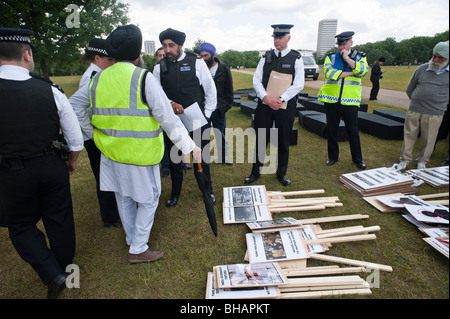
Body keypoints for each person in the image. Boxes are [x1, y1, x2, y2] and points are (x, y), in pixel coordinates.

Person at [69, 24, 201, 263]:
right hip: (141, 152)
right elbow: (168, 119)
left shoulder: (98, 79)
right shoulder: (143, 77)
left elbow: (74, 106)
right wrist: (190, 146)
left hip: (111, 152)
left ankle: (133, 240)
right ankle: (138, 247)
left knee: (124, 197)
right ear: (137, 54)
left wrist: (93, 134)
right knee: (150, 198)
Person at [0, 28, 84, 298]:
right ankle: (63, 273)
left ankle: (52, 274)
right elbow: (75, 138)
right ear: (26, 54)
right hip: (51, 166)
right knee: (59, 219)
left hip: (10, 172)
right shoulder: (50, 90)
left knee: (21, 226)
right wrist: (71, 161)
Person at [153, 28, 217, 208]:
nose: (167, 50)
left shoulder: (196, 62)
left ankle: (207, 190)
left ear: (180, 45)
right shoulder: (159, 67)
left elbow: (210, 90)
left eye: (171, 45)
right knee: (175, 159)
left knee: (200, 158)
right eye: (164, 46)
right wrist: (171, 102)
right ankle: (175, 193)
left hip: (197, 119)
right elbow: (156, 94)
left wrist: (207, 114)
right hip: (172, 121)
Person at [244, 24, 305, 186]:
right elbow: (256, 80)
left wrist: (281, 98)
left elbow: (299, 84)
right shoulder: (266, 57)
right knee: (261, 139)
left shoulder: (296, 59)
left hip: (285, 106)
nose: (277, 40)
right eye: (275, 37)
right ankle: (255, 172)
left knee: (283, 140)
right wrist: (265, 98)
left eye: (280, 37)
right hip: (265, 105)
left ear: (288, 38)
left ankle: (281, 174)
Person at [70, 38, 121, 227]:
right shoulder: (92, 77)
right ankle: (111, 218)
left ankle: (114, 213)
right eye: (110, 60)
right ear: (97, 58)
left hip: (100, 134)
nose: (113, 64)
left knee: (109, 175)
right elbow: (76, 107)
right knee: (103, 177)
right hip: (95, 136)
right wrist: (92, 134)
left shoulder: (98, 73)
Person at [394, 41, 449, 170]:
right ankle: (404, 160)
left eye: (440, 57)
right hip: (415, 109)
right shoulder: (422, 69)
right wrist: (416, 100)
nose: (435, 60)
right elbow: (410, 88)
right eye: (434, 56)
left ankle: (422, 161)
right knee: (409, 135)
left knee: (428, 139)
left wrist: (440, 105)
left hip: (435, 112)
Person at [318, 31, 369, 170]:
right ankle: (333, 157)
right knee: (332, 130)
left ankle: (358, 160)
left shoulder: (360, 57)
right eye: (339, 44)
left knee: (353, 131)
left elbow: (363, 71)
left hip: (350, 101)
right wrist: (353, 71)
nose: (341, 47)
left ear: (351, 43)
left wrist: (348, 59)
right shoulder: (331, 57)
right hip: (332, 100)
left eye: (344, 44)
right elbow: (330, 74)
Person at [199, 42, 234, 165]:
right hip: (205, 108)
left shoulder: (223, 68)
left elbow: (229, 88)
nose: (203, 58)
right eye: (201, 55)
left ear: (212, 55)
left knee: (221, 134)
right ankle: (205, 158)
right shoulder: (200, 68)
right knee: (204, 134)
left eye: (206, 55)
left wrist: (226, 106)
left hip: (219, 108)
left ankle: (223, 158)